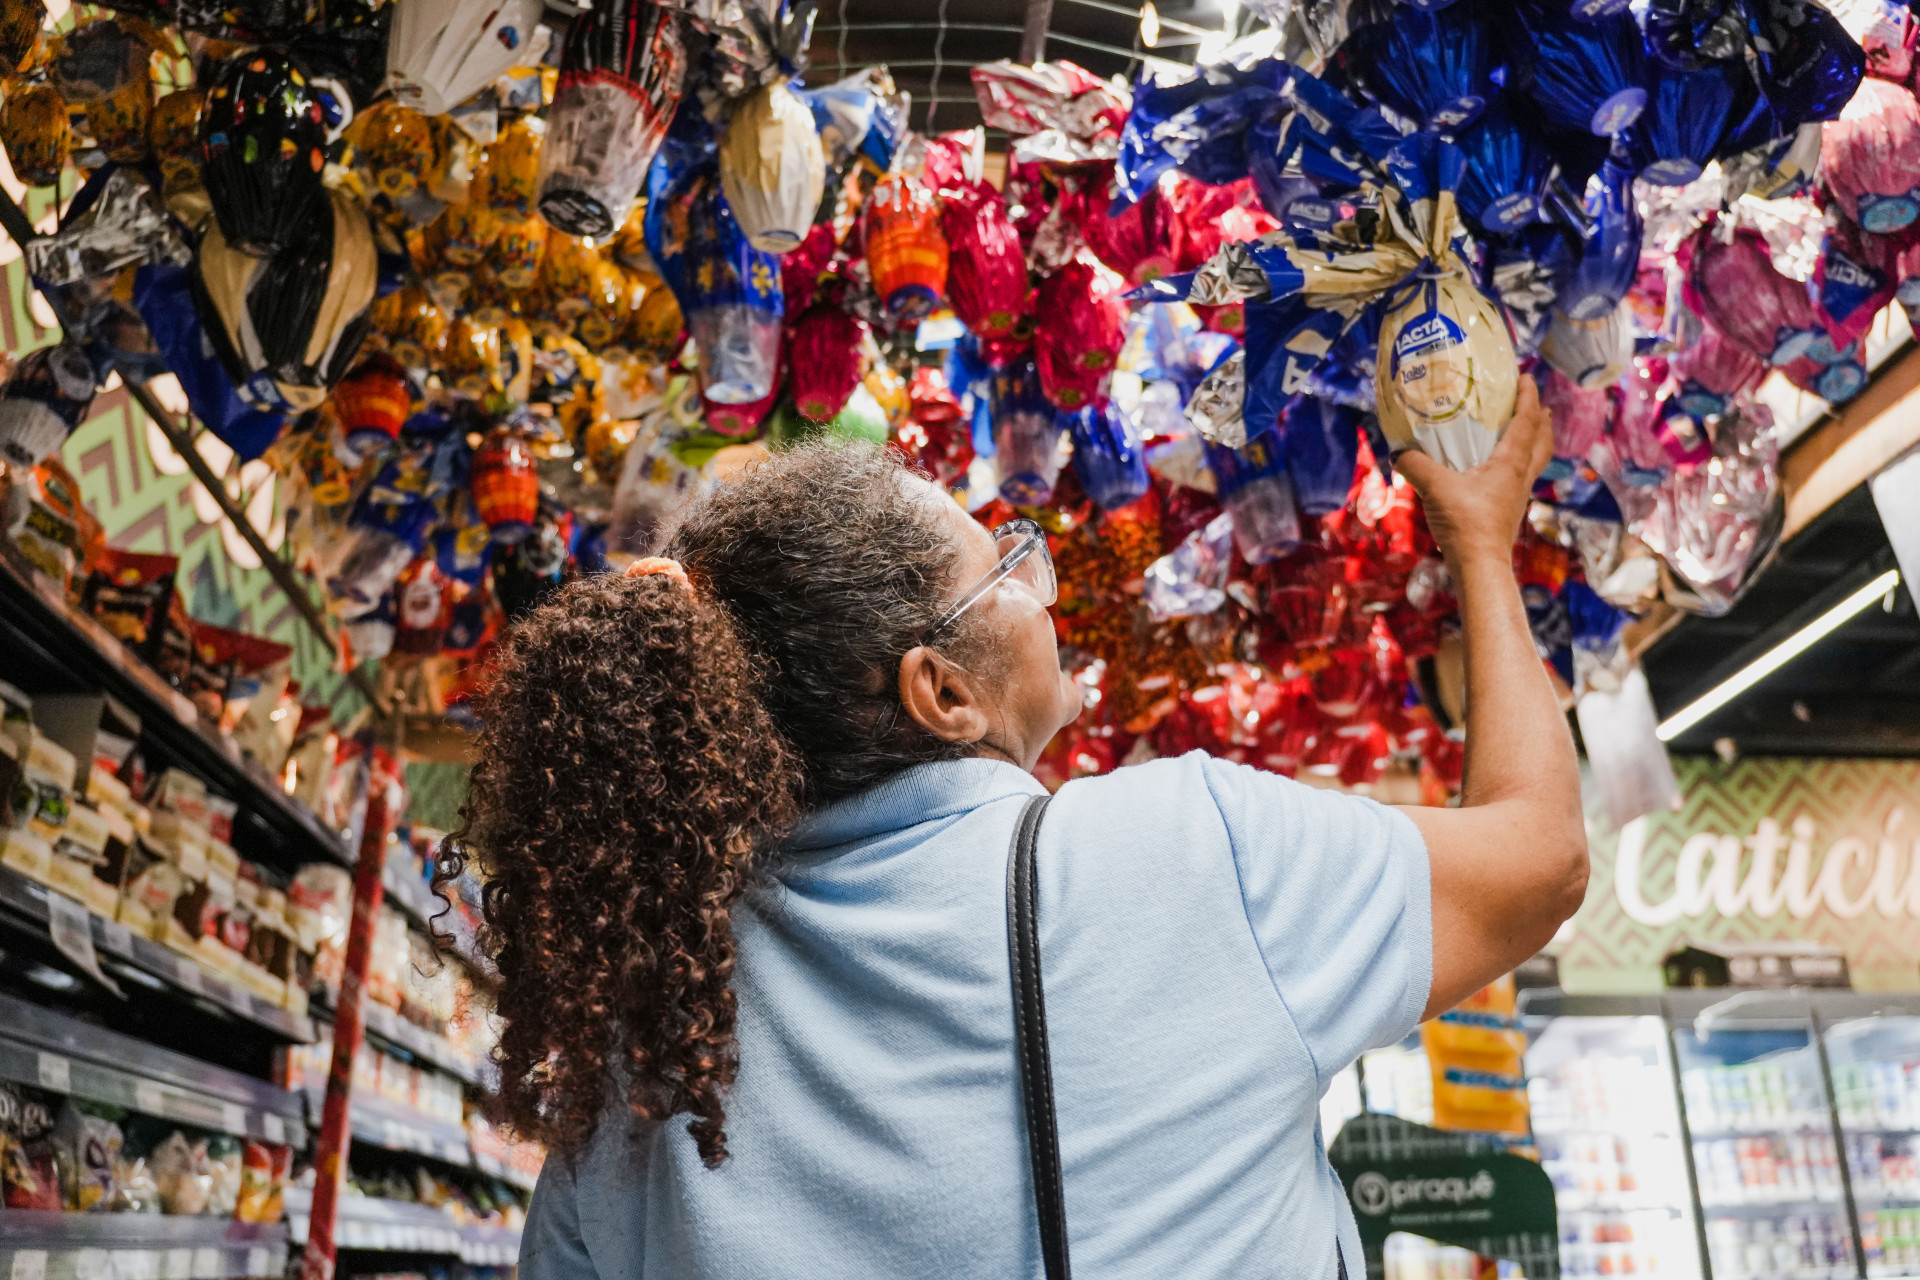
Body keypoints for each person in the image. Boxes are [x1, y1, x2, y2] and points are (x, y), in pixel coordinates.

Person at [450, 377, 1587, 1280]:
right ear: (943, 693)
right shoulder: (1184, 853)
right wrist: (1483, 543)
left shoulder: (646, 1034)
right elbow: (1539, 855)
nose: (1036, 581)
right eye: (1005, 566)